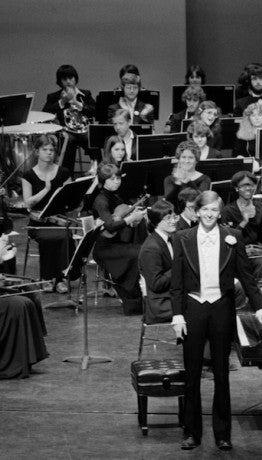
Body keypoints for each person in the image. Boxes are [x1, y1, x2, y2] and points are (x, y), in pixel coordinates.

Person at [170, 190, 262, 451]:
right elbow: (176, 284)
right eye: (204, 210)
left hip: (221, 308)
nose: (209, 214)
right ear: (196, 212)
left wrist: (260, 306)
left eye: (214, 211)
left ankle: (222, 434)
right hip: (193, 307)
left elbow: (247, 277)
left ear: (219, 212)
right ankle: (191, 432)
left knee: (221, 374)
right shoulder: (182, 238)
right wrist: (177, 315)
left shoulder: (233, 237)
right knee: (192, 374)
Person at [92, 163, 147, 314]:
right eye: (112, 179)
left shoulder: (116, 196)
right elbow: (110, 226)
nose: (117, 181)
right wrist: (131, 219)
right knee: (137, 253)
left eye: (118, 178)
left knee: (143, 250)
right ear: (104, 180)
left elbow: (121, 220)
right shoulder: (101, 200)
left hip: (116, 242)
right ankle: (131, 299)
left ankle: (137, 299)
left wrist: (135, 218)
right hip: (104, 248)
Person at [21, 134, 73, 293]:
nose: (49, 153)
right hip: (38, 222)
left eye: (52, 150)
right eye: (45, 149)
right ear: (37, 151)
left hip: (58, 220)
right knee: (50, 237)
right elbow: (28, 202)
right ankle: (48, 278)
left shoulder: (64, 172)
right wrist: (46, 190)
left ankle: (59, 278)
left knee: (64, 235)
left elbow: (70, 198)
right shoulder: (28, 175)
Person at [42, 64, 97, 173]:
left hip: (84, 129)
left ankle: (96, 167)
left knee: (92, 137)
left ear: (75, 79)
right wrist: (62, 102)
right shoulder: (53, 97)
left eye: (71, 78)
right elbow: (45, 112)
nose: (68, 81)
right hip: (66, 131)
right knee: (69, 140)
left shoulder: (85, 94)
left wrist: (76, 103)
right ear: (60, 81)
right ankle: (67, 174)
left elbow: (95, 111)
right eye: (64, 79)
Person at [138, 200, 178, 324]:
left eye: (174, 217)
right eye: (168, 218)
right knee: (201, 306)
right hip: (160, 304)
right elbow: (156, 284)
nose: (173, 221)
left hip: (170, 295)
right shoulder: (151, 248)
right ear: (156, 222)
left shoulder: (170, 238)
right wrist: (179, 266)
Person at [164, 141, 211, 208]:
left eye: (191, 158)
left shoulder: (205, 179)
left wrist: (188, 182)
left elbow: (202, 200)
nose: (187, 161)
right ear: (179, 159)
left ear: (196, 160)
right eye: (183, 157)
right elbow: (168, 203)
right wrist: (178, 184)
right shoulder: (169, 179)